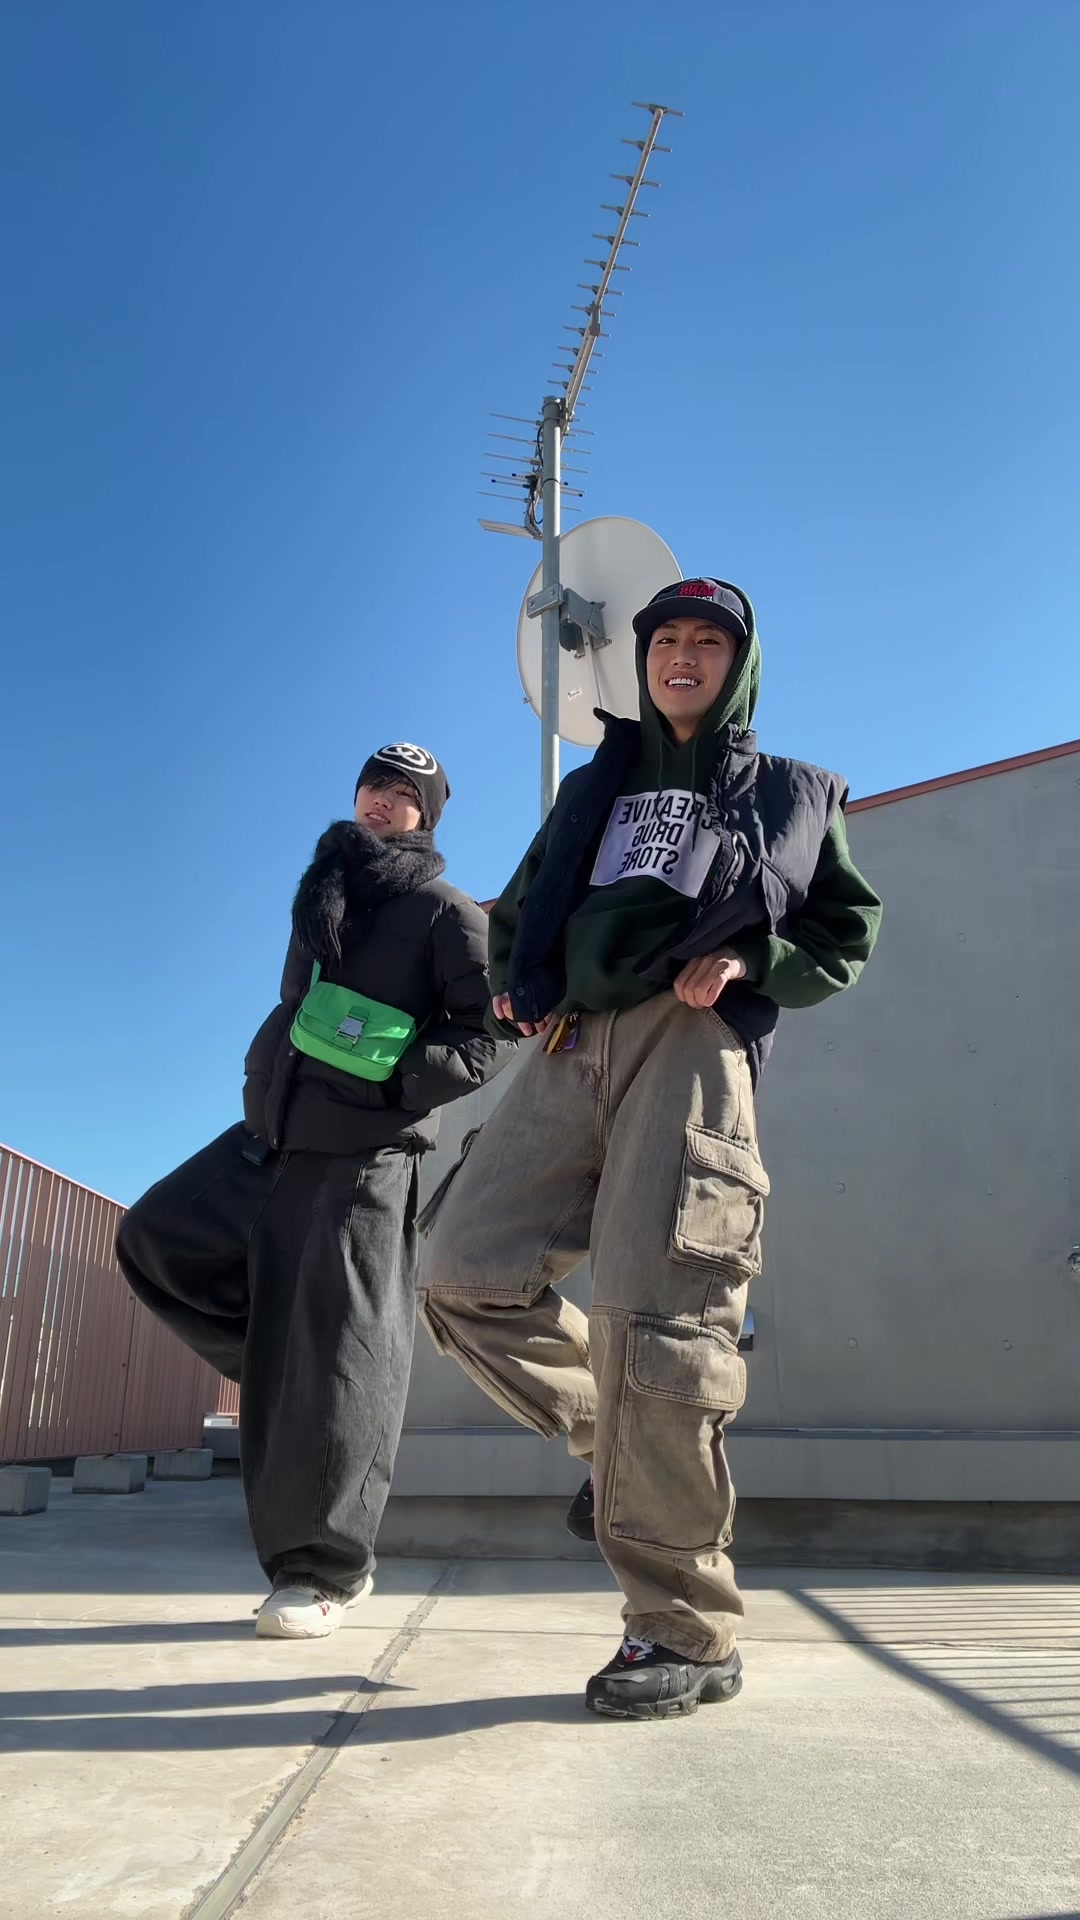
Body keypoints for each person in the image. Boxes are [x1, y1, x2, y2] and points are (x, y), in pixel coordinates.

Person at [419, 579, 882, 1718]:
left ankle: (684, 1628)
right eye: (665, 638)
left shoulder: (792, 792)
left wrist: (753, 962)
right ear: (643, 660)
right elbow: (522, 905)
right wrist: (512, 981)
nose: (683, 655)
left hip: (688, 1035)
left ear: (739, 664)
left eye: (708, 642)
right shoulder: (598, 786)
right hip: (572, 1038)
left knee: (657, 1323)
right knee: (460, 1270)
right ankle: (608, 1443)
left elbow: (844, 929)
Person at [117, 743, 512, 1638]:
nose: (383, 800)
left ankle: (326, 1572)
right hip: (272, 1138)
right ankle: (276, 1367)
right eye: (375, 784)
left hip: (364, 1155)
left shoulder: (446, 911)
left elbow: (486, 1036)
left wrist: (389, 1085)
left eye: (405, 793)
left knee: (342, 1357)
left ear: (426, 816)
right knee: (156, 1238)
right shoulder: (323, 897)